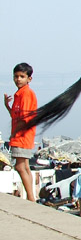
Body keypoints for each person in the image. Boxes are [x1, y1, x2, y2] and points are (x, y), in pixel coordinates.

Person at [4, 62, 38, 202]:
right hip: (21, 135)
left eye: (22, 76)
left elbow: (25, 118)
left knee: (19, 166)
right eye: (16, 76)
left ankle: (31, 198)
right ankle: (31, 197)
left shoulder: (26, 94)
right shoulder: (19, 94)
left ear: (29, 79)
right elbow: (16, 116)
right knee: (25, 166)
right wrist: (7, 106)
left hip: (22, 136)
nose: (18, 79)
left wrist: (14, 134)